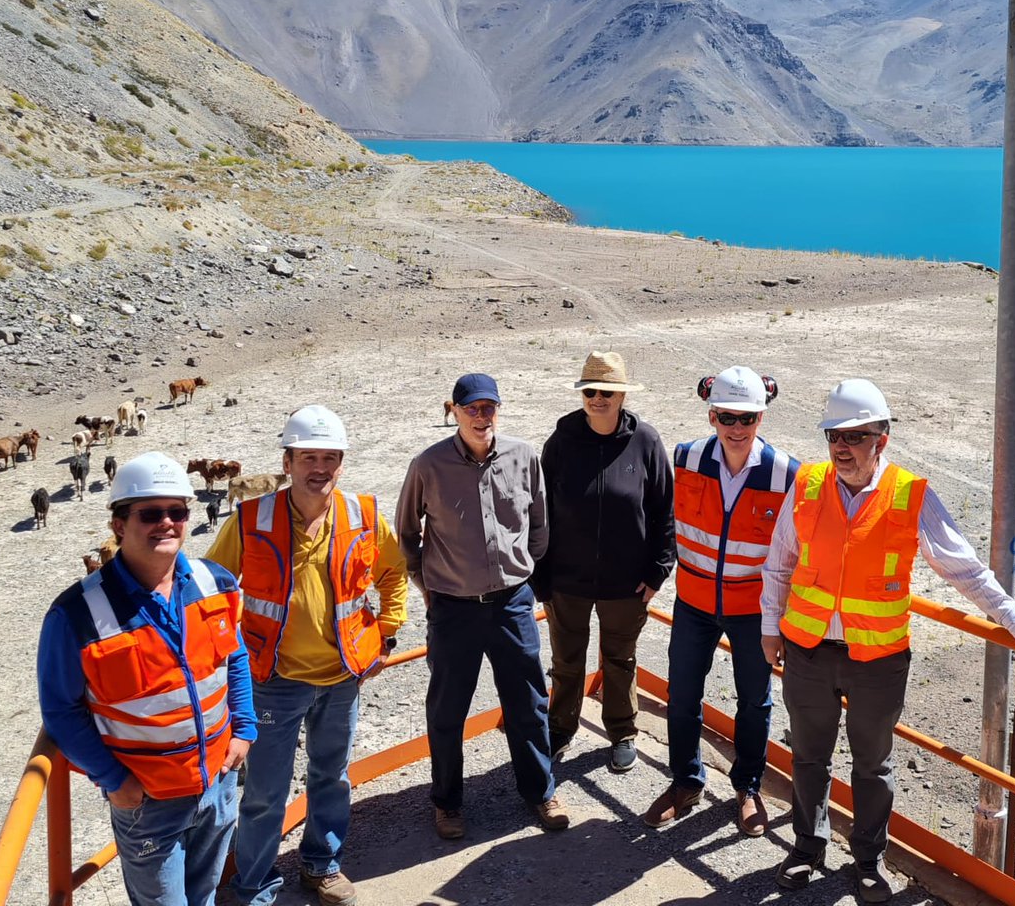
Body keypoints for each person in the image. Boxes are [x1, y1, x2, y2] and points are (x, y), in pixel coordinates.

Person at [761, 378, 1015, 903]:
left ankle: (867, 861)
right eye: (835, 434)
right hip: (809, 651)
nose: (842, 446)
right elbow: (779, 564)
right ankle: (807, 849)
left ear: (882, 439)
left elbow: (964, 570)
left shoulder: (910, 495)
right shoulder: (808, 486)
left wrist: (1014, 619)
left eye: (856, 436)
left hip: (878, 661)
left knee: (871, 766)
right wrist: (770, 628)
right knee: (809, 757)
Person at [207, 405, 408, 906]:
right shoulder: (252, 519)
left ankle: (321, 865)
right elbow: (209, 591)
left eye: (330, 457)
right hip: (272, 678)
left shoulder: (362, 514)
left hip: (343, 676)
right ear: (288, 460)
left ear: (342, 462)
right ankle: (252, 884)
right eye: (308, 456)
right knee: (265, 794)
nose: (319, 467)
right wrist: (225, 659)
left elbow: (394, 573)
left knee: (331, 777)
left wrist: (385, 633)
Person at [37, 452, 256, 906]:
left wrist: (245, 729)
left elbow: (233, 657)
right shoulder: (76, 614)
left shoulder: (215, 582)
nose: (167, 523)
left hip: (217, 782)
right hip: (148, 801)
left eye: (177, 512)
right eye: (150, 513)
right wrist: (114, 780)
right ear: (118, 524)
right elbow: (61, 709)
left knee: (205, 896)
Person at [395, 371, 569, 840]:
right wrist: (425, 584)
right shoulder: (427, 465)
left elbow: (540, 522)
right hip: (453, 608)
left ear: (498, 409)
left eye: (488, 407)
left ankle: (540, 791)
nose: (480, 416)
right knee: (448, 709)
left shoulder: (524, 455)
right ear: (452, 411)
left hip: (512, 602)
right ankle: (447, 803)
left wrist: (522, 568)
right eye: (471, 408)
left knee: (529, 703)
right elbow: (407, 534)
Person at [643, 366, 798, 836]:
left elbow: (794, 551)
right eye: (727, 417)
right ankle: (686, 782)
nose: (736, 428)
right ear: (711, 416)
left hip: (754, 611)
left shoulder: (786, 473)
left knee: (755, 701)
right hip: (693, 602)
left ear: (761, 419)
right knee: (683, 695)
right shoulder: (685, 458)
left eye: (747, 419)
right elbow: (664, 522)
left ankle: (747, 787)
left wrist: (784, 618)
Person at [533, 350, 675, 773]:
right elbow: (539, 513)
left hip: (625, 583)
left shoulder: (645, 442)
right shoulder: (560, 443)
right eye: (591, 390)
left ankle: (622, 730)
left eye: (607, 391)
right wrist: (542, 578)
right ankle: (560, 727)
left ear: (622, 395)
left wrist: (657, 572)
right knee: (566, 659)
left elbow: (664, 510)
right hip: (567, 581)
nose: (598, 398)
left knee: (620, 659)